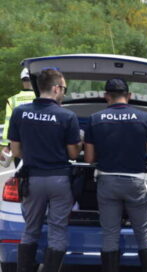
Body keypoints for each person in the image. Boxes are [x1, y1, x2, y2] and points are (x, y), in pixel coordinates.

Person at [84, 78, 147, 272]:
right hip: (135, 182)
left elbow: (89, 158)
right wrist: (142, 147)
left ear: (106, 97)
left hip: (107, 182)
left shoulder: (95, 119)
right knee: (144, 234)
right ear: (129, 96)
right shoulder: (144, 118)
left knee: (110, 234)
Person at [8, 68, 82, 272]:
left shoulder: (20, 112)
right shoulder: (67, 116)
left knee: (30, 230)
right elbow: (74, 154)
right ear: (57, 88)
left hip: (32, 180)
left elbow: (15, 150)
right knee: (57, 232)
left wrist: (35, 153)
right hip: (59, 180)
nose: (64, 93)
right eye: (64, 89)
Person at [0, 68, 36, 167]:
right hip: (38, 142)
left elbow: (8, 124)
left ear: (22, 80)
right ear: (34, 80)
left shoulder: (12, 100)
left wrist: (6, 145)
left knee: (20, 175)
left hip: (18, 144)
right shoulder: (41, 97)